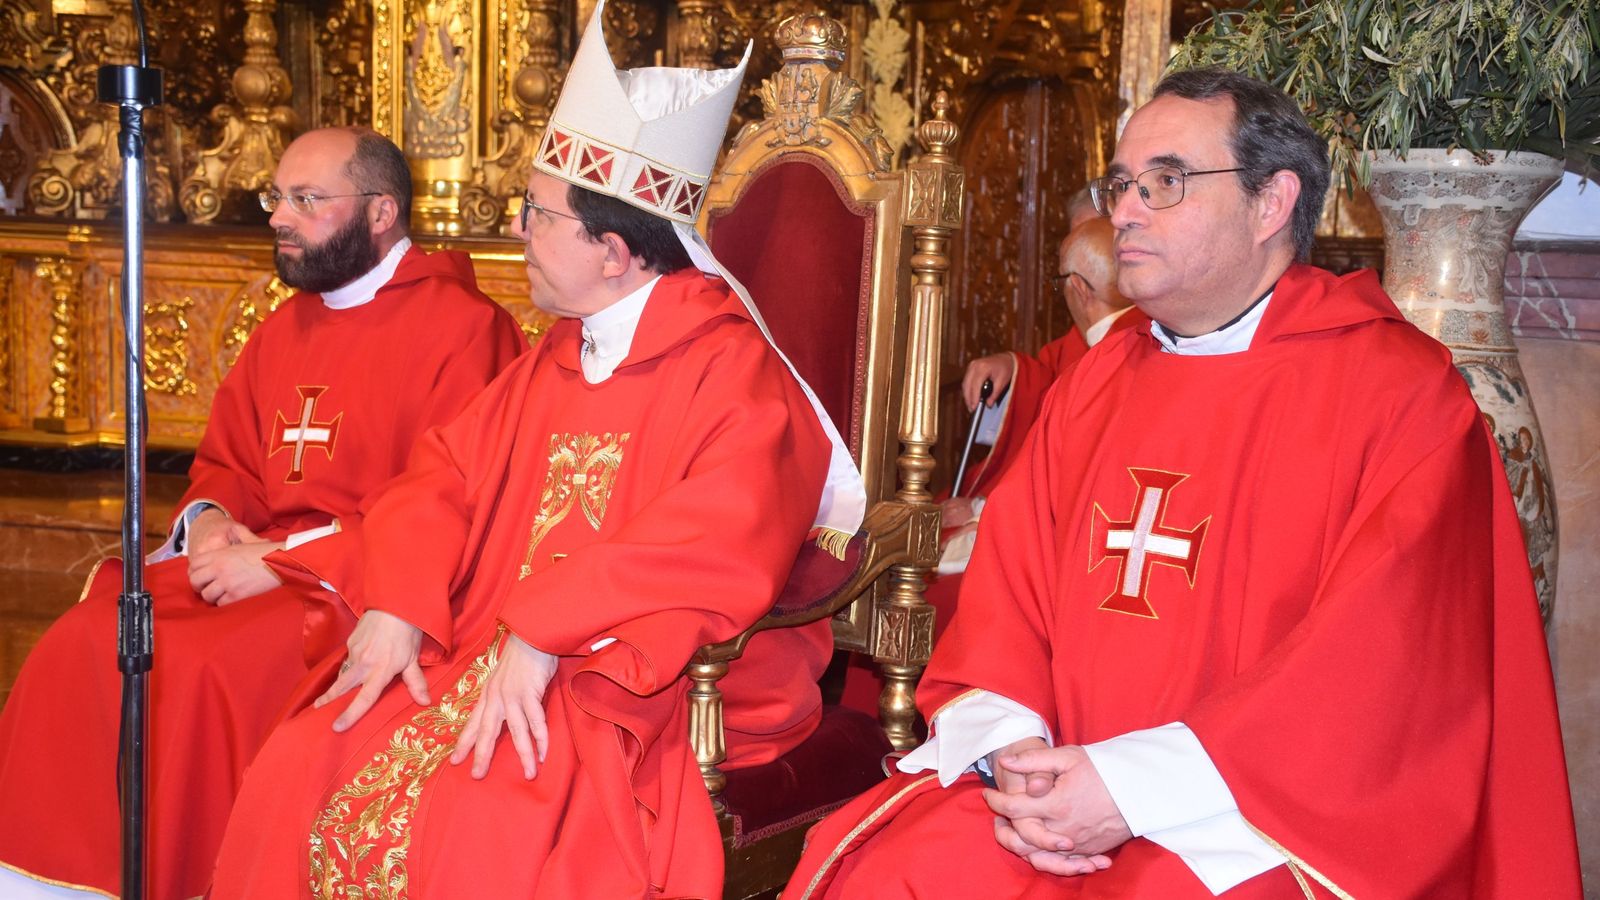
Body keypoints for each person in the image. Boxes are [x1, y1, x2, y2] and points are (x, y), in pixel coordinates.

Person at [784, 68, 1580, 899]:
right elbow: (1008, 597)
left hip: (1255, 814)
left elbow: (1379, 673)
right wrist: (1015, 754)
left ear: (1272, 203)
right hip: (1059, 782)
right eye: (1121, 183)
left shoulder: (1399, 396)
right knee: (898, 868)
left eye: (1164, 183)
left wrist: (1130, 788)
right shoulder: (1100, 380)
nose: (1123, 210)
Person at [209, 4, 865, 896]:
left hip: (635, 681)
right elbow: (439, 476)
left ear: (615, 251)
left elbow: (721, 536)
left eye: (538, 214)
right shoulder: (560, 351)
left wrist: (549, 628)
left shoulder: (734, 372)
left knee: (480, 815)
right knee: (302, 757)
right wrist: (399, 601)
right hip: (492, 646)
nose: (516, 230)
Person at [0, 127, 528, 899]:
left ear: (381, 212)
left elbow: (450, 506)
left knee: (207, 669)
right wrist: (212, 520)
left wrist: (282, 562)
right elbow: (229, 461)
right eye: (275, 197)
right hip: (255, 565)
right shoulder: (288, 324)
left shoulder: (465, 330)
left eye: (306, 200)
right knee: (89, 634)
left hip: (360, 591)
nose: (280, 216)